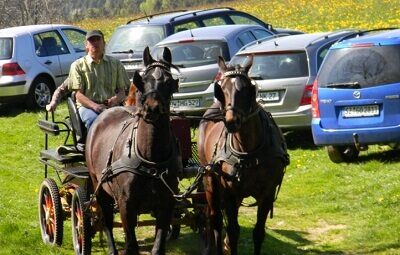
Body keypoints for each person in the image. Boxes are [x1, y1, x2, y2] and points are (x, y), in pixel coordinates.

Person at [68, 29, 130, 129]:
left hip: (112, 106)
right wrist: (95, 106)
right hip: (88, 108)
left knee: (127, 122)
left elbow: (122, 92)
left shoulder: (115, 64)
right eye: (92, 40)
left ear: (104, 43)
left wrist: (114, 100)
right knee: (96, 123)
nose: (95, 43)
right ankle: (92, 144)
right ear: (86, 45)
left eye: (98, 39)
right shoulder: (77, 66)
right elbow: (78, 95)